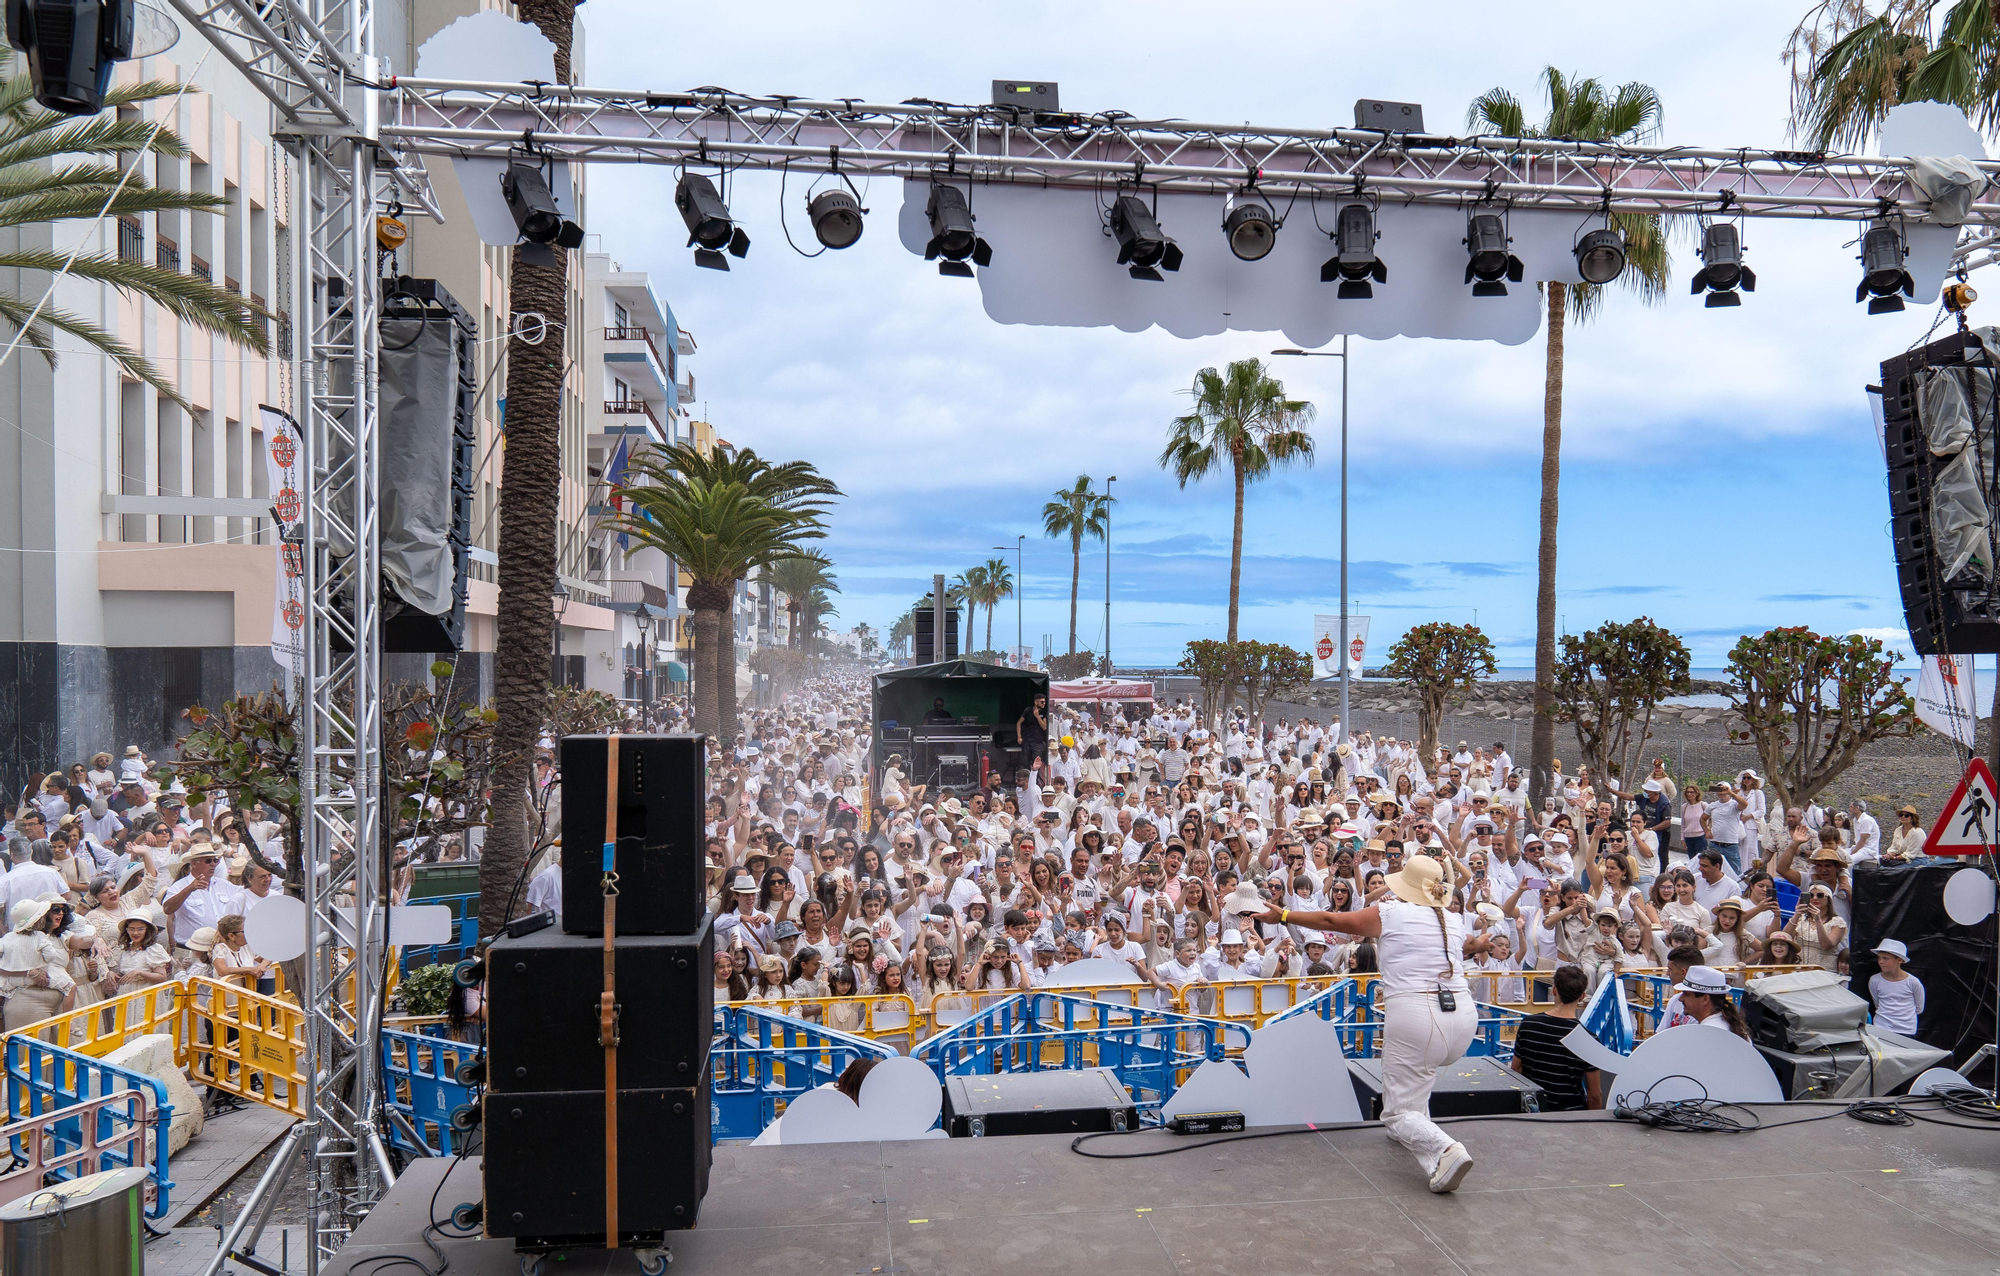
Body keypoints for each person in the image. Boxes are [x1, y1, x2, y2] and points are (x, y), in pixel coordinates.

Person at [1252, 853, 1478, 1193]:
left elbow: (1332, 921)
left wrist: (1282, 913)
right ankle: (1430, 1152)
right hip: (1462, 1017)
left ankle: (1445, 1150)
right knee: (1418, 1084)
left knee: (1396, 1112)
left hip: (1418, 1016)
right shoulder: (1453, 918)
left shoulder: (1391, 913)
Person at [1509, 964, 1602, 1111]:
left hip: (1534, 1111)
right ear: (1582, 996)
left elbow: (1516, 1070)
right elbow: (1594, 1095)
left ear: (1554, 990)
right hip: (1572, 1116)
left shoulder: (1528, 1024)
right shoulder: (1589, 1039)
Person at [1671, 965, 1749, 1038]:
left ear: (1705, 999)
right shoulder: (1728, 1023)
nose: (1680, 999)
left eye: (1686, 994)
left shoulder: (1707, 1034)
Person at [1868, 939, 1925, 1035]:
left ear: (1899, 960)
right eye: (1879, 958)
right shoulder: (1874, 980)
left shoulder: (1913, 982)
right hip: (1881, 1028)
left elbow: (1919, 1007)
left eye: (1885, 958)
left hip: (1906, 1030)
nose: (1881, 962)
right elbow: (1877, 1003)